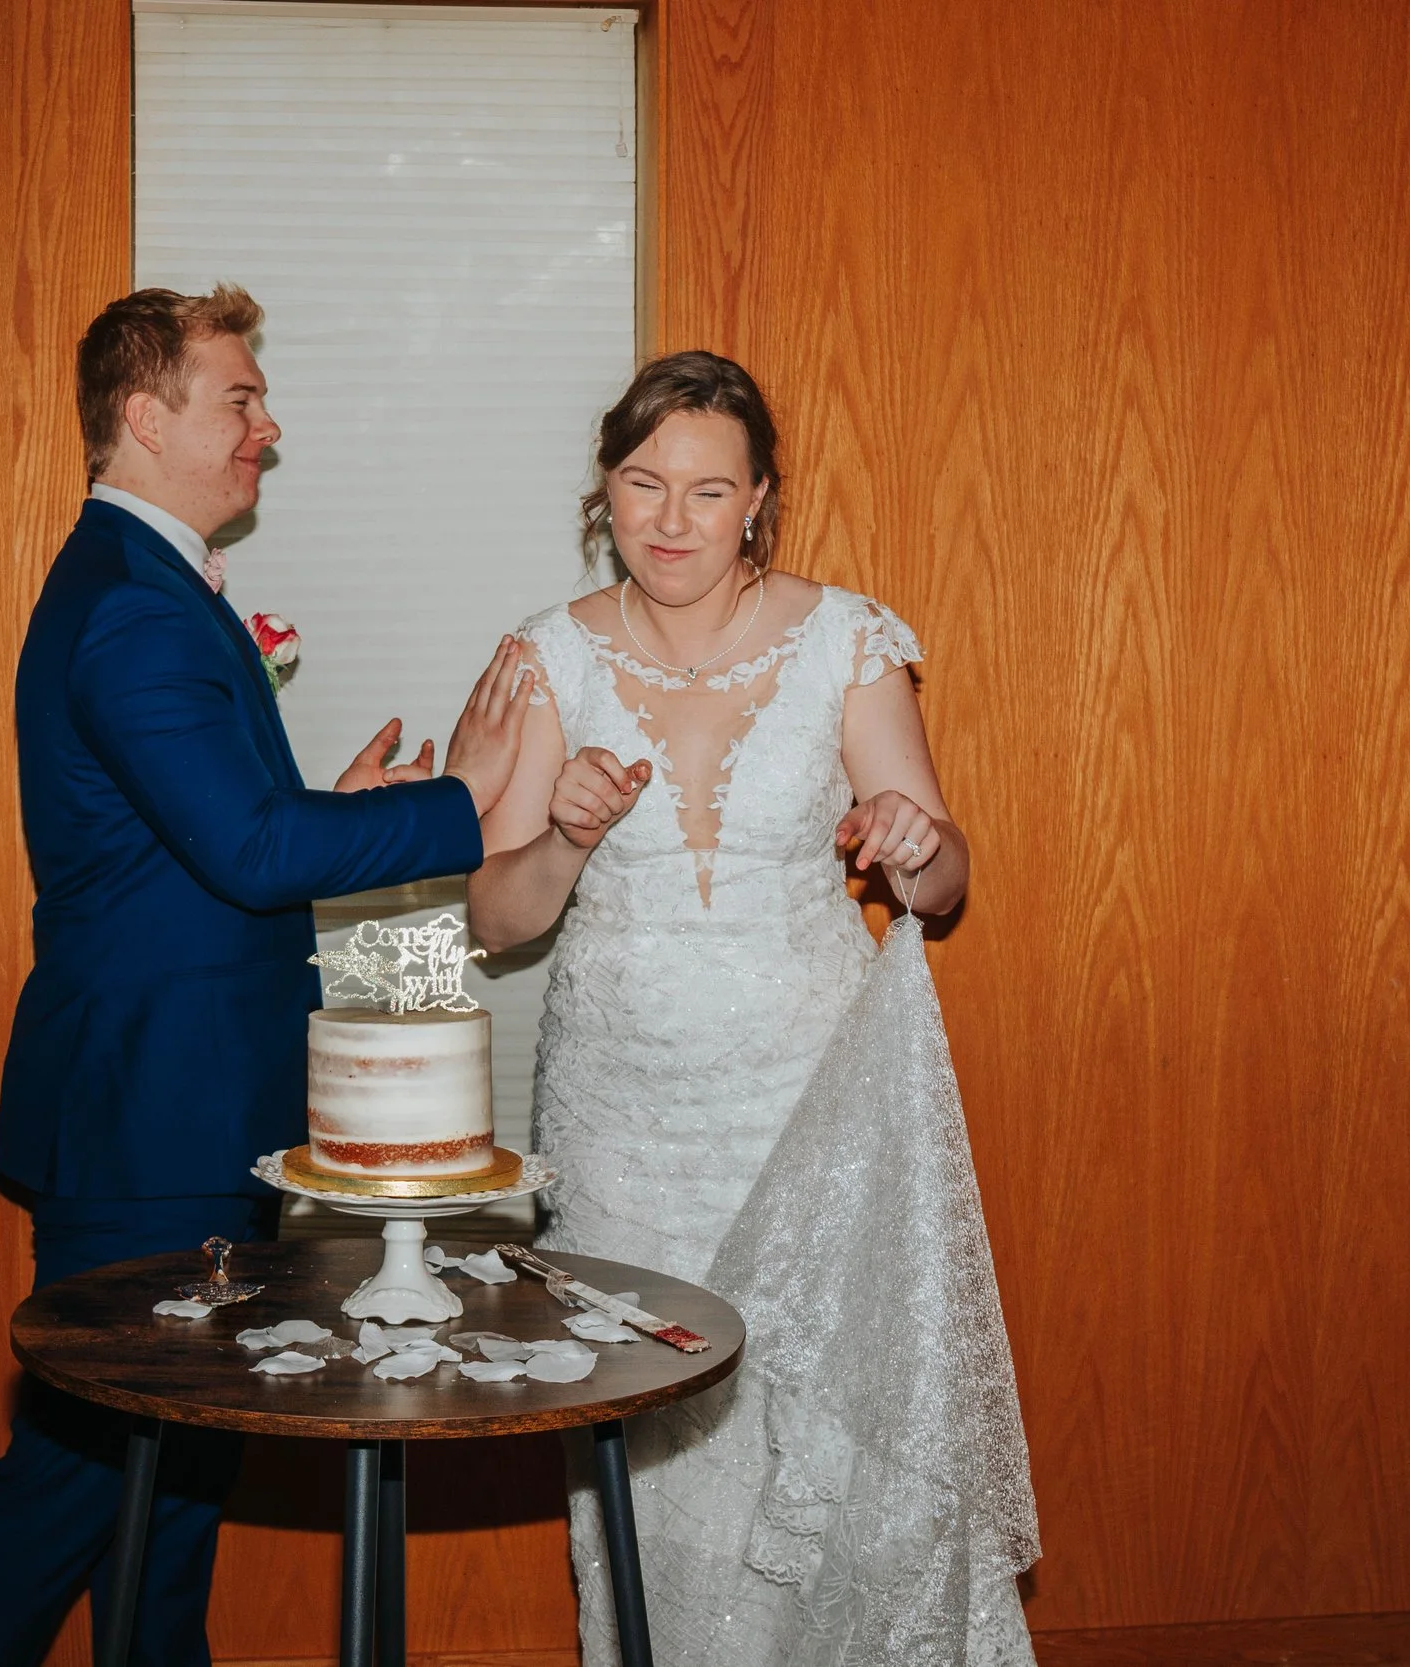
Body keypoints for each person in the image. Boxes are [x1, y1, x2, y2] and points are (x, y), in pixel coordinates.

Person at [0, 284, 535, 1667]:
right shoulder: (135, 606)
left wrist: (334, 811)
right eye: (239, 399)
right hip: (147, 1120)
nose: (268, 427)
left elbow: (200, 845)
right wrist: (468, 798)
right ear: (146, 415)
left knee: (173, 1487)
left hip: (186, 1107)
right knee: (75, 1481)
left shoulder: (149, 587)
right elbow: (248, 852)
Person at [469, 352, 1038, 1663]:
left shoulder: (847, 641)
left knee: (837, 1418)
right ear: (605, 488)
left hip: (816, 1106)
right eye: (643, 482)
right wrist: (565, 837)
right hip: (623, 1130)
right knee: (659, 1429)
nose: (671, 519)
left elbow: (942, 880)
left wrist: (913, 839)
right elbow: (499, 919)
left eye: (709, 490)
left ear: (759, 500)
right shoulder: (548, 657)